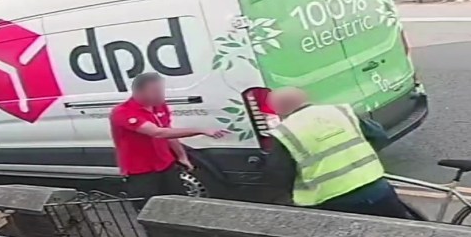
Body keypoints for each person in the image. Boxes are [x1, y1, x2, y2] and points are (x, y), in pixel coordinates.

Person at [264, 87, 424, 220]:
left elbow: (280, 172)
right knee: (404, 231)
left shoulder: (285, 132)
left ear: (278, 110)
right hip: (375, 187)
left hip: (331, 200)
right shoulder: (340, 111)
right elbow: (379, 136)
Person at [109, 72, 227, 211]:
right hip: (141, 172)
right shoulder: (123, 112)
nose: (161, 95)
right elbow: (158, 132)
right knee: (152, 211)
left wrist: (181, 156)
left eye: (161, 90)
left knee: (178, 205)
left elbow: (168, 132)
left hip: (165, 165)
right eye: (155, 91)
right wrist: (200, 130)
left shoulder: (159, 106)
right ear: (138, 91)